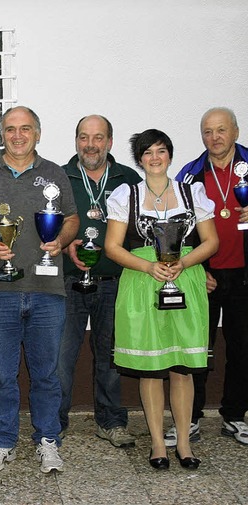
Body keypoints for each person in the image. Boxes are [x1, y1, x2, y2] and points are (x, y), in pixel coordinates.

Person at [0, 106, 79, 474]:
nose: (18, 135)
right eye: (10, 129)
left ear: (37, 133)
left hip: (46, 290)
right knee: (2, 375)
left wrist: (60, 239)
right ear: (2, 134)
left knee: (47, 374)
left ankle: (47, 441)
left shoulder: (55, 173)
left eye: (26, 129)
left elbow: (72, 218)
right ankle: (2, 441)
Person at [105, 129, 218, 470]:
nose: (155, 157)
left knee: (182, 369)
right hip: (142, 282)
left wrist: (183, 262)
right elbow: (112, 247)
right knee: (151, 370)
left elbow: (210, 241)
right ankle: (157, 443)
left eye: (161, 151)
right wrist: (149, 266)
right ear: (139, 160)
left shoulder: (192, 191)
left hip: (186, 280)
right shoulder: (127, 195)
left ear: (170, 154)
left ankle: (183, 442)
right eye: (147, 152)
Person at [59, 115, 141, 447]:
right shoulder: (59, 178)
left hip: (114, 281)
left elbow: (142, 229)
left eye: (98, 137)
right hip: (68, 282)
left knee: (110, 355)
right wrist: (66, 246)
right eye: (83, 137)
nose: (90, 144)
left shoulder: (128, 179)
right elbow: (45, 226)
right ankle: (55, 423)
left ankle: (110, 421)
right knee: (61, 355)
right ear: (76, 140)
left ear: (109, 141)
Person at [173, 107, 248, 446]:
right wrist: (195, 267)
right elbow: (177, 227)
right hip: (205, 274)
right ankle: (190, 418)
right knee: (196, 348)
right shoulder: (190, 175)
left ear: (234, 131)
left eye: (220, 130)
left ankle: (234, 415)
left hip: (245, 274)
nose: (214, 137)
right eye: (207, 131)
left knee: (243, 347)